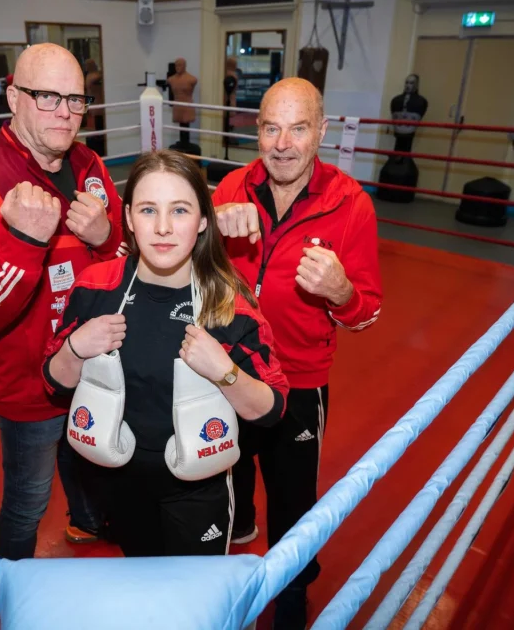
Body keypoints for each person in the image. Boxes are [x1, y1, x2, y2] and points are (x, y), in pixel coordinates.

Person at [41, 150, 289, 557]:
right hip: (118, 481)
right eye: (148, 210)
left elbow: (272, 409)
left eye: (179, 210)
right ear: (128, 218)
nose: (162, 228)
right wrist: (75, 348)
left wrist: (225, 372)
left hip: (198, 490)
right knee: (141, 579)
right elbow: (53, 383)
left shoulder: (229, 303)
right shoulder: (95, 287)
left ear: (203, 220)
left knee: (198, 594)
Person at [0, 43, 123, 560]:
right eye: (48, 97)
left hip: (94, 362)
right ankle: (11, 586)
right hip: (28, 387)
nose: (65, 112)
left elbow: (125, 253)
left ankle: (87, 522)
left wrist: (106, 235)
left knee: (88, 456)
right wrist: (25, 243)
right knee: (28, 500)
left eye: (76, 99)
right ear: (14, 98)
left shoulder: (88, 163)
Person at [212, 77, 383, 628]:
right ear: (257, 131)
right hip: (228, 370)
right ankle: (233, 546)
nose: (282, 144)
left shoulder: (351, 205)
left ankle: (291, 599)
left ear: (322, 131)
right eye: (270, 128)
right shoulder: (233, 187)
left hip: (300, 380)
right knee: (222, 476)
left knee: (293, 502)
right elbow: (186, 269)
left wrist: (341, 292)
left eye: (298, 128)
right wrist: (210, 231)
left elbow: (367, 314)